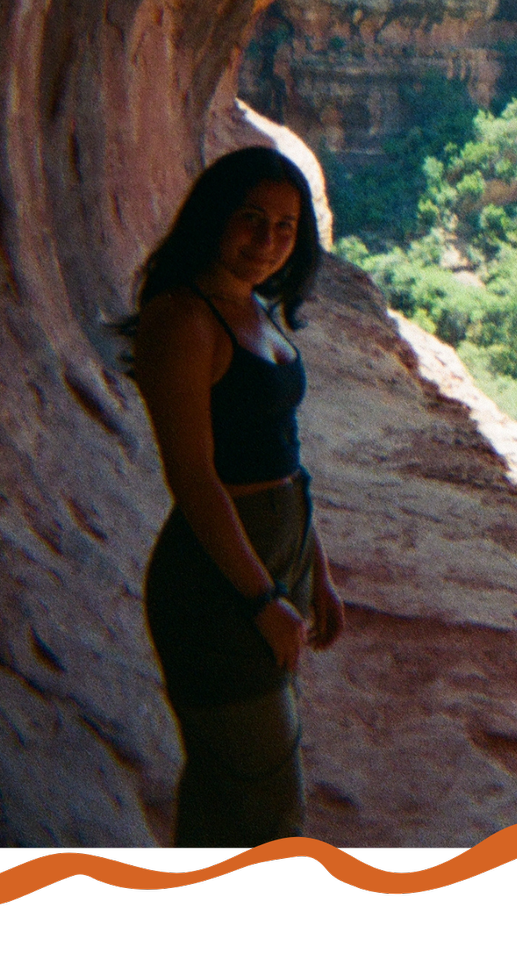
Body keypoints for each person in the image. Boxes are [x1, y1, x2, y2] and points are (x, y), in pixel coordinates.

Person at [116, 147, 346, 846]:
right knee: (264, 800)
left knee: (232, 787)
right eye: (249, 219)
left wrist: (316, 574)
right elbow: (193, 478)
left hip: (277, 558)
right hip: (219, 582)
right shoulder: (185, 320)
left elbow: (285, 455)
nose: (266, 241)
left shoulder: (256, 309)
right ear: (213, 217)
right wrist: (259, 598)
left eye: (284, 226)